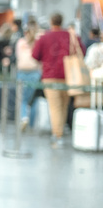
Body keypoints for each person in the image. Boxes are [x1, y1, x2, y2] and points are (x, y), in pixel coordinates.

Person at [32, 12, 85, 146]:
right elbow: (82, 52)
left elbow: (35, 55)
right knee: (64, 105)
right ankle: (59, 131)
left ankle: (57, 135)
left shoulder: (44, 37)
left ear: (51, 21)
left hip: (50, 76)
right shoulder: (71, 36)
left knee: (54, 106)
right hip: (69, 76)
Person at [13, 19, 42, 131]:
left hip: (22, 72)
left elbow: (17, 56)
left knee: (23, 99)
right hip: (35, 72)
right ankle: (32, 124)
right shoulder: (38, 42)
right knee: (33, 99)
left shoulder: (21, 42)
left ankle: (24, 117)